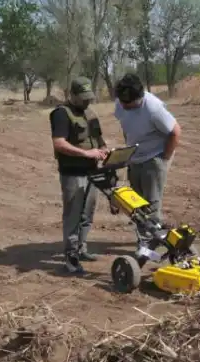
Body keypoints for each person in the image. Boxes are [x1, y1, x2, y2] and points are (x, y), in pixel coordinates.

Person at [49, 76, 108, 274]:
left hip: (92, 172)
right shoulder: (61, 114)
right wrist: (85, 153)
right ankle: (70, 257)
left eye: (88, 97)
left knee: (87, 215)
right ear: (71, 95)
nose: (86, 101)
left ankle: (81, 248)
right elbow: (59, 143)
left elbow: (99, 140)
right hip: (72, 173)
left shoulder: (90, 114)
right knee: (73, 216)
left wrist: (105, 150)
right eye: (82, 98)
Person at [113, 73, 181, 246]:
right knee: (136, 201)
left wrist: (163, 159)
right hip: (135, 157)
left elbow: (175, 132)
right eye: (122, 102)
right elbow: (126, 127)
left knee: (151, 203)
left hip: (154, 156)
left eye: (129, 103)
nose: (124, 106)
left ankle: (150, 243)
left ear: (140, 98)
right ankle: (144, 236)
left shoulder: (153, 109)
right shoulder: (120, 103)